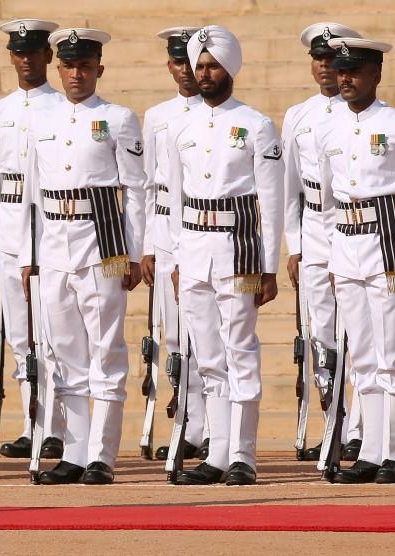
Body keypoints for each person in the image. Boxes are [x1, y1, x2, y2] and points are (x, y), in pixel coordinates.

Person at [20, 27, 146, 485]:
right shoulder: (42, 119)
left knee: (106, 348)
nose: (77, 74)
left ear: (99, 69)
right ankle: (73, 452)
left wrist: (133, 253)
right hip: (54, 240)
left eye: (85, 66)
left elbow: (134, 190)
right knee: (64, 352)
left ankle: (102, 455)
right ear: (58, 68)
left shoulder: (118, 117)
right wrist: (28, 253)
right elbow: (31, 194)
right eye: (69, 66)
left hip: (101, 241)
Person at [316, 37, 395, 484]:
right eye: (341, 71)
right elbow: (328, 205)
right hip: (347, 247)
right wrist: (332, 256)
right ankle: (369, 451)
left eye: (355, 71)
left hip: (388, 246)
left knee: (392, 357)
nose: (345, 79)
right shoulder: (329, 132)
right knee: (362, 357)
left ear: (376, 75)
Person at [168, 26, 284, 486]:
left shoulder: (256, 124)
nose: (204, 74)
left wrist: (268, 267)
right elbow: (174, 199)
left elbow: (271, 203)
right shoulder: (181, 126)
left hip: (238, 248)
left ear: (230, 68)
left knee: (240, 350)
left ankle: (243, 455)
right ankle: (216, 453)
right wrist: (177, 258)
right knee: (209, 356)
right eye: (199, 66)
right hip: (195, 248)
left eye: (213, 65)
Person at [282, 22, 363, 462]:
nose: (326, 66)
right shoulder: (298, 115)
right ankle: (335, 423)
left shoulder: (365, 113)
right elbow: (289, 186)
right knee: (323, 338)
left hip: (354, 226)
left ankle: (362, 432)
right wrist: (294, 244)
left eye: (334, 59)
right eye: (319, 58)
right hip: (314, 230)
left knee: (360, 334)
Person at [0, 18, 65, 460]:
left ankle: (55, 427)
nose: (27, 59)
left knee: (50, 336)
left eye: (35, 52)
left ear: (47, 57)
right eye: (20, 52)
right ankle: (31, 422)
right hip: (12, 232)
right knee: (19, 338)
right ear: (12, 57)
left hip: (50, 233)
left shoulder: (60, 107)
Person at [141, 26, 208, 461]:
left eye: (193, 60)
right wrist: (147, 243)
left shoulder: (217, 114)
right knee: (174, 341)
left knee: (205, 336)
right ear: (170, 65)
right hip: (166, 231)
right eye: (179, 61)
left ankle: (204, 427)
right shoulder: (157, 116)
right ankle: (186, 417)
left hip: (203, 231)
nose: (186, 69)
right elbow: (149, 185)